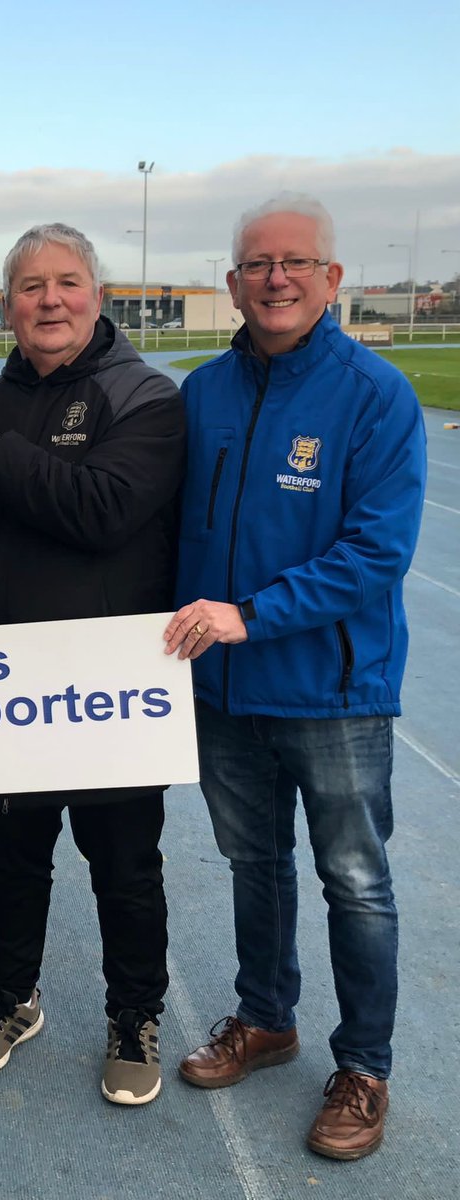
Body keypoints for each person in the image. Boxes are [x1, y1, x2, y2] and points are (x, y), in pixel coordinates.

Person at [164, 193, 427, 1161]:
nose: (277, 278)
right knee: (255, 867)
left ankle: (363, 1066)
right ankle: (266, 1017)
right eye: (258, 264)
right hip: (226, 694)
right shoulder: (201, 394)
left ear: (332, 278)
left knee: (355, 882)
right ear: (232, 283)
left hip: (332, 693)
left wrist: (251, 615)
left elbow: (374, 554)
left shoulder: (376, 396)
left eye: (296, 263)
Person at [0, 223, 185, 1106]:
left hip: (113, 691)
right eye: (30, 287)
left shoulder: (147, 399)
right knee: (12, 857)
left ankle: (134, 1015)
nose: (49, 300)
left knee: (125, 865)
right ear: (8, 303)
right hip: (4, 689)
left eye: (66, 283)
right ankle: (11, 998)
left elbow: (100, 512)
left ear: (97, 294)